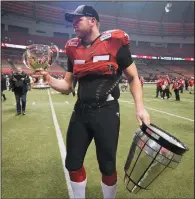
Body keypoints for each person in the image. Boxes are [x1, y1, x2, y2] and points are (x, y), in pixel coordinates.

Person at [35, 5, 150, 199]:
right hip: (81, 111)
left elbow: (133, 77)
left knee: (107, 166)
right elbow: (67, 85)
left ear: (92, 21)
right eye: (72, 20)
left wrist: (140, 108)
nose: (73, 24)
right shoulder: (72, 48)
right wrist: (49, 79)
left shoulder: (115, 43)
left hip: (106, 110)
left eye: (77, 19)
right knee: (72, 163)